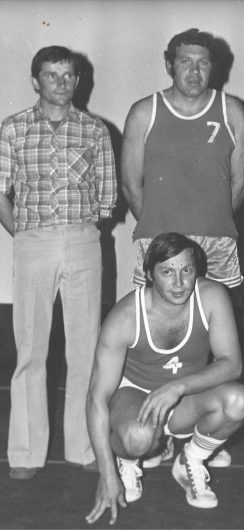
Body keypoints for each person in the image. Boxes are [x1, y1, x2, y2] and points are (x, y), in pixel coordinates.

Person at [122, 28, 244, 468]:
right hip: (159, 241)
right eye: (184, 62)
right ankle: (154, 430)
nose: (194, 71)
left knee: (218, 337)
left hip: (216, 240)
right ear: (169, 64)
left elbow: (240, 183)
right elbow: (131, 184)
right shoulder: (145, 111)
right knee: (154, 331)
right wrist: (163, 234)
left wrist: (209, 222)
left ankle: (205, 433)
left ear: (214, 68)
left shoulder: (232, 111)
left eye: (202, 63)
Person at [0, 45, 117, 479]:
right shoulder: (13, 128)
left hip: (83, 238)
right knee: (31, 349)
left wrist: (77, 232)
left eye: (68, 75)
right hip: (32, 241)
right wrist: (24, 233)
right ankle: (26, 454)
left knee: (86, 348)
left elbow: (107, 197)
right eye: (52, 75)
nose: (61, 83)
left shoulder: (95, 130)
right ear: (35, 81)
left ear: (78, 81)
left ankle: (84, 447)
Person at [85, 233, 244, 525]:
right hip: (136, 396)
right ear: (149, 275)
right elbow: (97, 398)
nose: (179, 282)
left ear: (197, 271)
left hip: (185, 396)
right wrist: (106, 473)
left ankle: (190, 460)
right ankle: (128, 461)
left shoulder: (211, 296)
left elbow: (232, 364)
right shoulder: (126, 316)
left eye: (186, 270)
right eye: (167, 272)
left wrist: (177, 387)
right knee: (138, 438)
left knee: (238, 400)